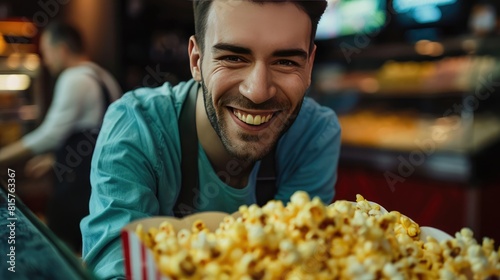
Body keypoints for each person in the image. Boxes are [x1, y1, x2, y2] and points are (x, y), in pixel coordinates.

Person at [81, 0, 341, 278]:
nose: (257, 91)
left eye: (286, 62)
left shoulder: (315, 133)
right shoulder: (135, 124)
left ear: (310, 65)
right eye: (233, 57)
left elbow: (299, 263)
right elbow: (115, 267)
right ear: (196, 61)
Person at [0, 21, 122, 253]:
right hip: (101, 185)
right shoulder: (103, 76)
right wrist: (58, 159)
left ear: (62, 49)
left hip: (78, 191)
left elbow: (51, 134)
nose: (45, 61)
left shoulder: (74, 78)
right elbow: (98, 136)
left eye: (46, 53)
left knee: (63, 249)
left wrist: (3, 157)